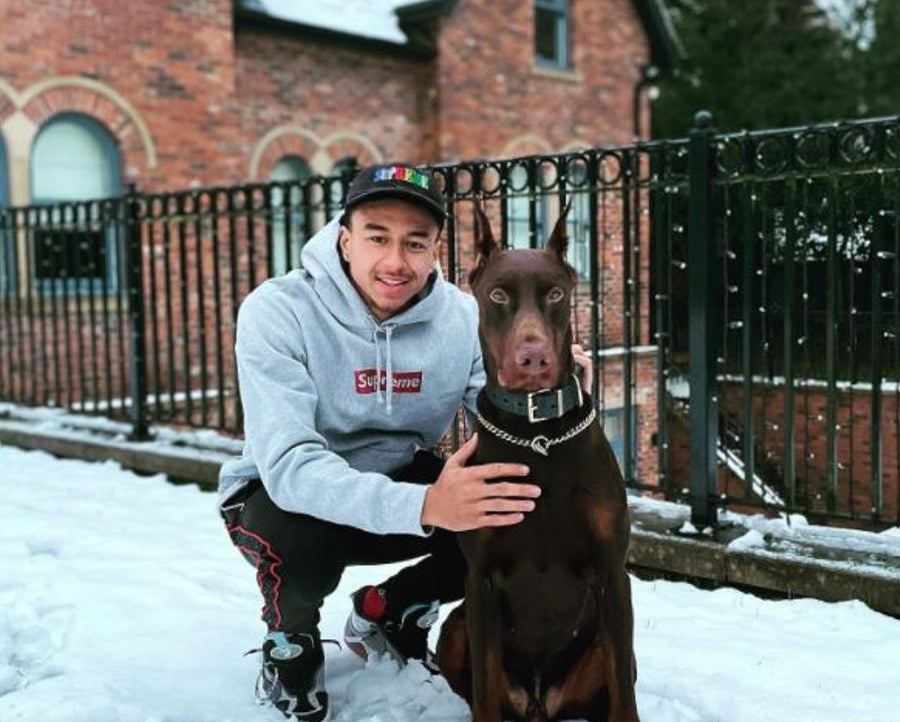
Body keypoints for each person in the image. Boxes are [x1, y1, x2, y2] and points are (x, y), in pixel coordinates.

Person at [218, 163, 590, 721]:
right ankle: (289, 645)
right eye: (377, 237)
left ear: (436, 250)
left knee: (506, 508)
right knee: (295, 536)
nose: (395, 261)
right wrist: (425, 505)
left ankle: (389, 608)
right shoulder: (278, 310)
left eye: (415, 243)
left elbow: (493, 417)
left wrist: (556, 396)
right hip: (277, 497)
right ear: (345, 239)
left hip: (399, 477)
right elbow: (289, 466)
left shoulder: (461, 317)